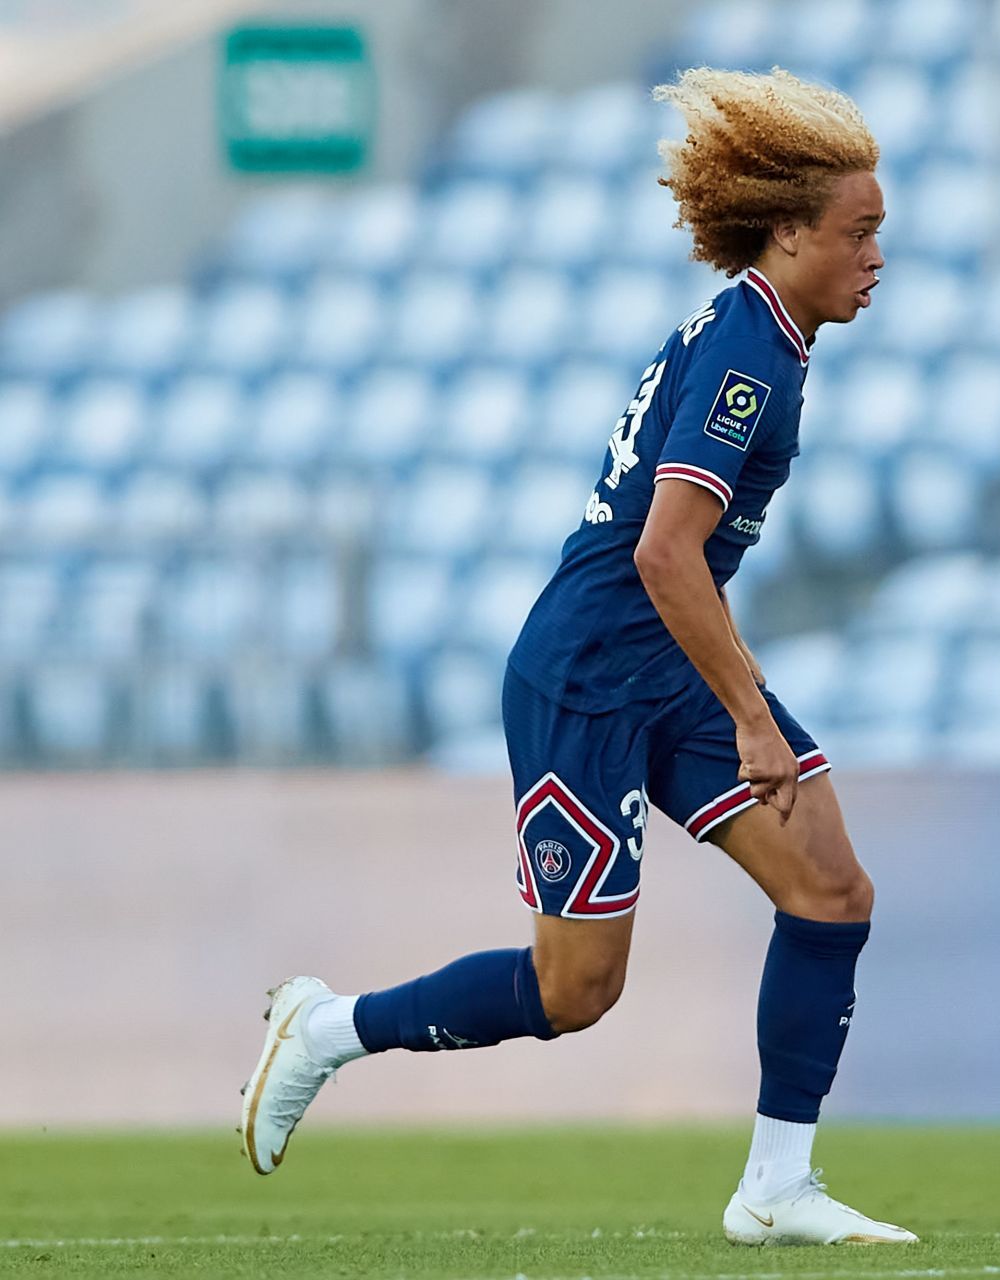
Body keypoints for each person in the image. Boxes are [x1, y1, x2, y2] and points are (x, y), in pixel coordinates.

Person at [240, 67, 911, 1247]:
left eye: (880, 233)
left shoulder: (772, 334)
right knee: (576, 991)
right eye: (858, 233)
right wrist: (752, 717)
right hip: (590, 676)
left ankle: (775, 1186)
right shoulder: (750, 356)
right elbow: (665, 553)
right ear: (789, 231)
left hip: (666, 668)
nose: (875, 256)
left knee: (830, 890)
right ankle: (325, 1028)